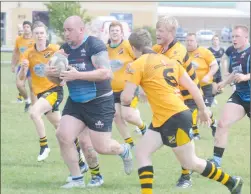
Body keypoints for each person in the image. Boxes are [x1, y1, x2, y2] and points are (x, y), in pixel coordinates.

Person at [121, 28, 243, 194]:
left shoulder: (137, 65)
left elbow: (127, 98)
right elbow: (193, 86)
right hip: (165, 118)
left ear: (134, 48)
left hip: (174, 117)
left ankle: (232, 182)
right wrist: (203, 109)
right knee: (142, 152)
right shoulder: (169, 60)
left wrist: (124, 94)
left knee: (191, 163)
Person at [46, 16, 133, 189]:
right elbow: (60, 81)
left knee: (101, 146)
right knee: (63, 135)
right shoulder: (64, 50)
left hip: (99, 102)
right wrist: (50, 74)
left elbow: (106, 73)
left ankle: (123, 150)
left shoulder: (94, 46)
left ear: (81, 29)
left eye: (69, 30)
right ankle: (77, 178)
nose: (66, 33)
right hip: (76, 102)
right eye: (65, 30)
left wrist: (77, 75)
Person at [19, 21, 90, 181]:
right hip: (40, 93)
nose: (39, 35)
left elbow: (66, 67)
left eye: (42, 33)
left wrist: (63, 77)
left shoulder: (55, 50)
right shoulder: (28, 53)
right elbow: (22, 79)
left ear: (46, 35)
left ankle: (44, 146)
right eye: (36, 33)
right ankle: (81, 161)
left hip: (53, 91)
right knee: (61, 130)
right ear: (33, 35)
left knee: (34, 113)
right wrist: (23, 70)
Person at [152, 15, 203, 187]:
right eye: (157, 29)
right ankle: (191, 169)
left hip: (189, 99)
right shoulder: (157, 49)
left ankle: (186, 176)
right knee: (176, 141)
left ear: (172, 32)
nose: (157, 33)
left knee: (183, 141)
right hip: (173, 101)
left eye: (161, 30)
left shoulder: (178, 50)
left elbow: (166, 69)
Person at [210, 25, 250, 168]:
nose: (234, 39)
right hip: (239, 96)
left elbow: (243, 74)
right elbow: (235, 73)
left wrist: (246, 77)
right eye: (232, 36)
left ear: (246, 37)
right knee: (222, 124)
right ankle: (216, 162)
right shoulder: (233, 52)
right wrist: (224, 83)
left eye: (237, 36)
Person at [107, 21, 147, 148]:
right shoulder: (105, 48)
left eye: (117, 30)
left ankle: (143, 127)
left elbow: (140, 60)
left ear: (121, 33)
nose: (114, 32)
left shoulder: (127, 46)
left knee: (127, 115)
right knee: (116, 115)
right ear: (109, 33)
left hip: (127, 87)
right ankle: (129, 143)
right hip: (112, 89)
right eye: (112, 30)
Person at [185, 33, 219, 137]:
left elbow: (215, 66)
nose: (189, 43)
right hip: (192, 87)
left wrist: (208, 76)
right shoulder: (184, 54)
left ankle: (213, 124)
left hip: (206, 87)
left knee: (205, 111)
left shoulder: (204, 52)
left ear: (197, 42)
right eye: (187, 41)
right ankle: (195, 133)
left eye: (191, 41)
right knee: (192, 111)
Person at [11, 21, 36, 111]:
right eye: (24, 27)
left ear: (31, 28)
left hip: (33, 66)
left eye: (27, 27)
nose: (26, 28)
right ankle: (27, 100)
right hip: (22, 65)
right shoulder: (18, 39)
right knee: (19, 85)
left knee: (32, 88)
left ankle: (34, 108)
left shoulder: (35, 39)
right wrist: (13, 64)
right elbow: (16, 52)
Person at [208, 35, 225, 105]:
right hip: (212, 71)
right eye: (214, 39)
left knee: (221, 89)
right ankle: (212, 100)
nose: (215, 41)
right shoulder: (209, 50)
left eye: (217, 39)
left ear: (219, 41)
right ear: (212, 41)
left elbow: (223, 60)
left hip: (219, 72)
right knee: (214, 87)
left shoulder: (222, 50)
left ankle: (212, 97)